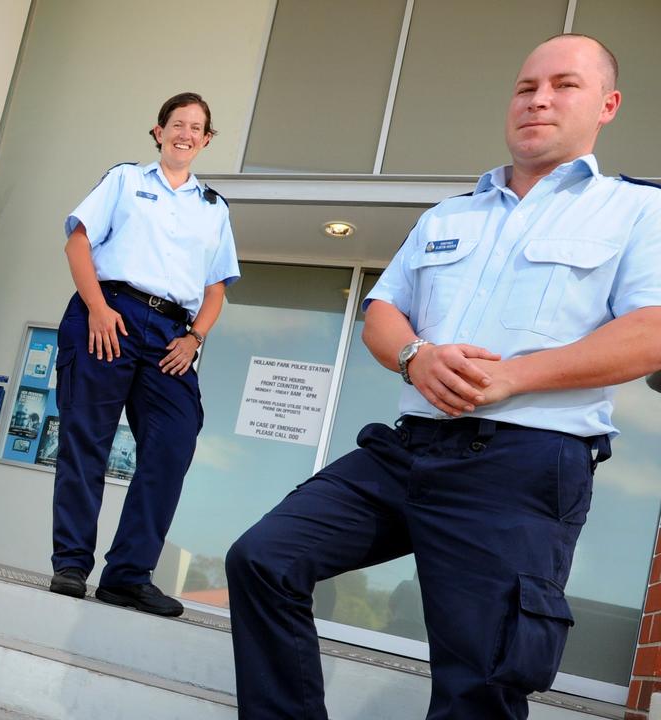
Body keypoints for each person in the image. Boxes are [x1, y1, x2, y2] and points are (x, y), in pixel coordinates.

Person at [225, 34, 661, 719]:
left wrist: (514, 378)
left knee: (477, 683)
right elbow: (383, 312)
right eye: (526, 86)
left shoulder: (638, 211)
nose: (539, 98)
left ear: (607, 105)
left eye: (563, 85)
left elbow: (650, 333)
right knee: (264, 559)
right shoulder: (449, 215)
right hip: (408, 449)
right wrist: (414, 358)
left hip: (521, 464)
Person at [48, 92, 240, 616]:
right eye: (176, 124)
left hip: (171, 335)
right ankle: (70, 563)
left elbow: (216, 287)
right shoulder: (126, 181)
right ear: (158, 131)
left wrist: (194, 337)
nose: (185, 133)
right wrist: (96, 308)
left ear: (207, 139)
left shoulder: (213, 208)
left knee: (173, 442)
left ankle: (128, 575)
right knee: (87, 437)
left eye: (196, 127)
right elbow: (78, 243)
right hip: (110, 312)